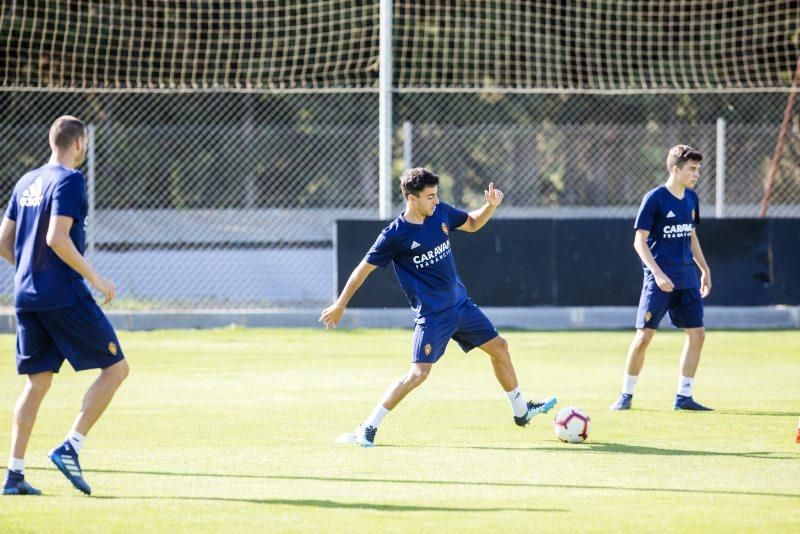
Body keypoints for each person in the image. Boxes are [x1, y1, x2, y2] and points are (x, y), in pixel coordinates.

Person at [319, 167, 556, 447]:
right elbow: (362, 271)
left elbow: (472, 223)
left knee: (500, 348)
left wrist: (490, 206)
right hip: (433, 317)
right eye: (429, 196)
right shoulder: (394, 235)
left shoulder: (440, 212)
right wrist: (340, 303)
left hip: (461, 306)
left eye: (435, 195)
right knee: (418, 374)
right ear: (411, 198)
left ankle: (521, 411)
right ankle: (366, 428)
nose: (435, 200)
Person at [0, 116, 129, 495]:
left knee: (37, 383)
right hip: (62, 293)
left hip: (26, 295)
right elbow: (58, 237)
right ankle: (70, 446)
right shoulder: (70, 180)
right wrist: (96, 278)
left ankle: (14, 475)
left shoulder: (26, 181)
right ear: (79, 143)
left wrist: (29, 269)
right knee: (116, 369)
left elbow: (3, 242)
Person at [610, 145, 712, 412]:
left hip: (687, 279)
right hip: (659, 281)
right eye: (692, 169)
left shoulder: (691, 199)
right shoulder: (654, 199)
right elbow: (639, 242)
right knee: (644, 336)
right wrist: (657, 273)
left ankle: (684, 396)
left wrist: (704, 269)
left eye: (698, 169)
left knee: (698, 334)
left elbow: (691, 236)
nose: (696, 174)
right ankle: (625, 395)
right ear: (675, 169)